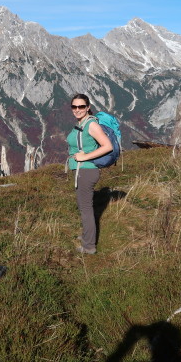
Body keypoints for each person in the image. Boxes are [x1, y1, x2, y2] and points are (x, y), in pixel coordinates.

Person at [67, 94, 113, 254]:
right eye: (74, 107)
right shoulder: (82, 123)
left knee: (86, 208)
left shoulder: (91, 124)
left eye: (81, 107)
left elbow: (107, 146)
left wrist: (84, 157)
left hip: (87, 171)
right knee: (84, 206)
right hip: (82, 171)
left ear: (87, 107)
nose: (77, 110)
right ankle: (88, 236)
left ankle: (89, 247)